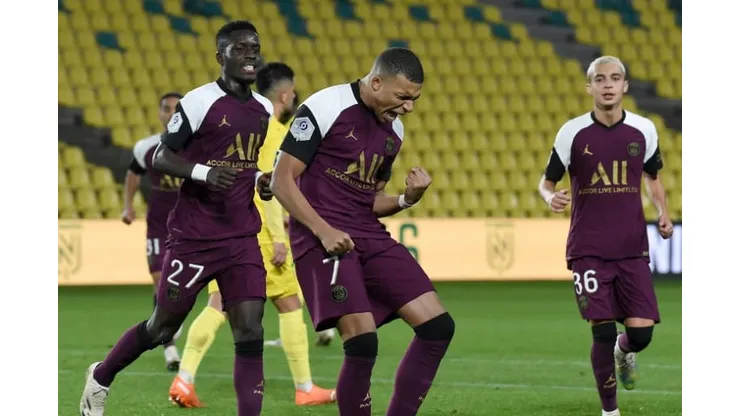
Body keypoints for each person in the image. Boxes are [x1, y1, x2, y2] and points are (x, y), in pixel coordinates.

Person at [79, 20, 274, 416]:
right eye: (240, 48)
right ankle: (100, 377)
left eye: (254, 48)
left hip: (241, 237)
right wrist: (203, 173)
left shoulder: (263, 108)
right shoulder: (200, 101)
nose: (250, 54)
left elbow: (243, 163)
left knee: (250, 330)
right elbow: (162, 156)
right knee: (162, 328)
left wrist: (260, 180)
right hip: (194, 237)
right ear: (220, 57)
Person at [270, 47, 455, 416]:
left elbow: (369, 200)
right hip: (320, 236)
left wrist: (406, 199)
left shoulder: (394, 130)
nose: (408, 108)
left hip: (367, 233)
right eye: (403, 97)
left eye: (415, 99)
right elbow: (281, 181)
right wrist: (323, 231)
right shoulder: (327, 106)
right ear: (376, 83)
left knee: (438, 327)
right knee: (362, 342)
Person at [168, 62, 336, 409]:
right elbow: (272, 186)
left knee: (219, 303)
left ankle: (184, 378)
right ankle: (304, 387)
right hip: (258, 231)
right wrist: (278, 237)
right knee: (289, 301)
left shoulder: (244, 121)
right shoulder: (274, 131)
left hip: (228, 226)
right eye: (292, 92)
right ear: (285, 95)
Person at [537, 55, 674, 416]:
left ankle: (624, 350)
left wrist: (662, 211)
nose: (608, 85)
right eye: (600, 79)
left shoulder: (644, 130)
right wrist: (550, 197)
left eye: (615, 78)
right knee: (601, 330)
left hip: (631, 247)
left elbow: (652, 177)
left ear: (625, 85)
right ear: (590, 87)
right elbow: (546, 181)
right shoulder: (572, 132)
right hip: (588, 248)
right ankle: (609, 411)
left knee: (641, 335)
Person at [122, 91, 184, 372]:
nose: (170, 114)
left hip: (190, 225)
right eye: (166, 109)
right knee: (160, 282)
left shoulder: (198, 146)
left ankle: (173, 318)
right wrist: (128, 206)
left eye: (176, 109)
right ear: (159, 114)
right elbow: (133, 174)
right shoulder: (146, 148)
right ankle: (169, 348)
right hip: (159, 225)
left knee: (178, 285)